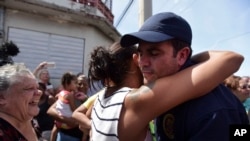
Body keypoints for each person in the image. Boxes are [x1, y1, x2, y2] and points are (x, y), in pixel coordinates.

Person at [120, 12, 249, 141]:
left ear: (182, 56)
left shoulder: (212, 112)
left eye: (154, 53)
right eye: (141, 54)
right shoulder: (164, 90)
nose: (142, 62)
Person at [86, 41, 243, 141]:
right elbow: (231, 59)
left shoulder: (102, 97)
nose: (145, 62)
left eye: (154, 53)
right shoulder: (137, 100)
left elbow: (86, 122)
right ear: (135, 61)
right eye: (142, 55)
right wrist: (186, 60)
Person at [0, 63, 42, 140]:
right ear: (1, 98)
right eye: (29, 88)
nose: (39, 92)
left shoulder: (32, 122)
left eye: (37, 87)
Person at [49, 72, 83, 141]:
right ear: (68, 84)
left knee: (55, 130)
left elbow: (58, 102)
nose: (77, 85)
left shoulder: (61, 93)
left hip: (60, 123)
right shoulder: (70, 95)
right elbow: (74, 110)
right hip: (69, 125)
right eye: (75, 83)